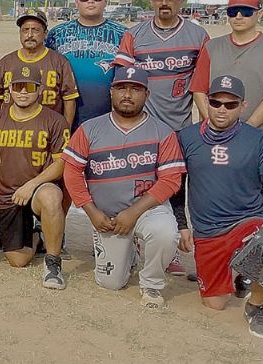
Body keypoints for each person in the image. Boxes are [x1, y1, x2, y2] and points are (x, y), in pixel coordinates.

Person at [62, 66, 185, 308]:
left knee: (165, 231)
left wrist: (133, 212)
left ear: (147, 95)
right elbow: (72, 172)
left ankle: (151, 284)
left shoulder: (163, 132)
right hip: (107, 217)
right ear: (111, 92)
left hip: (147, 211)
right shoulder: (90, 129)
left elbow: (171, 180)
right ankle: (129, 256)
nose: (127, 94)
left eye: (135, 89)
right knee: (111, 283)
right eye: (121, 88)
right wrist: (92, 212)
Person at [113, 0, 209, 277]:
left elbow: (202, 84)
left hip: (180, 124)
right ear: (152, 0)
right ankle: (134, 242)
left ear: (181, 0)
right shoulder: (135, 34)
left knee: (175, 185)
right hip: (145, 124)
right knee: (137, 181)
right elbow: (122, 82)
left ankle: (172, 242)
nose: (165, 2)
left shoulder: (197, 35)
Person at [176, 75, 263, 339]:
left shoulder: (258, 140)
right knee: (215, 304)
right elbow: (177, 186)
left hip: (247, 220)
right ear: (206, 103)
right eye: (216, 102)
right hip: (209, 231)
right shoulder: (186, 137)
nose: (222, 109)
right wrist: (182, 224)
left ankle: (255, 306)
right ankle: (238, 271)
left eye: (230, 104)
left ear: (243, 106)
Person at [0, 65, 70, 288]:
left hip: (38, 189)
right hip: (8, 194)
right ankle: (37, 235)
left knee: (50, 196)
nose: (23, 92)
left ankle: (53, 262)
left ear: (39, 89)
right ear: (9, 89)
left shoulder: (55, 121)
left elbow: (61, 163)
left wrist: (32, 185)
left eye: (29, 87)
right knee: (18, 260)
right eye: (18, 86)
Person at [191, 0, 263, 138]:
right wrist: (213, 124)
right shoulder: (211, 47)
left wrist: (244, 131)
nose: (239, 16)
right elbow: (199, 91)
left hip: (257, 134)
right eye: (233, 11)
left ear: (259, 14)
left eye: (246, 11)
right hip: (213, 134)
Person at [45, 0, 127, 129]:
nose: (90, 1)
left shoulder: (122, 34)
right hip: (64, 116)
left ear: (106, 1)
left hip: (109, 117)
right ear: (76, 2)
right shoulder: (57, 33)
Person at [0, 9, 79, 126]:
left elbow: (69, 100)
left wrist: (65, 130)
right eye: (25, 30)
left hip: (47, 129)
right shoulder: (6, 62)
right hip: (11, 130)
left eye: (35, 30)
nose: (29, 35)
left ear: (45, 33)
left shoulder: (59, 62)